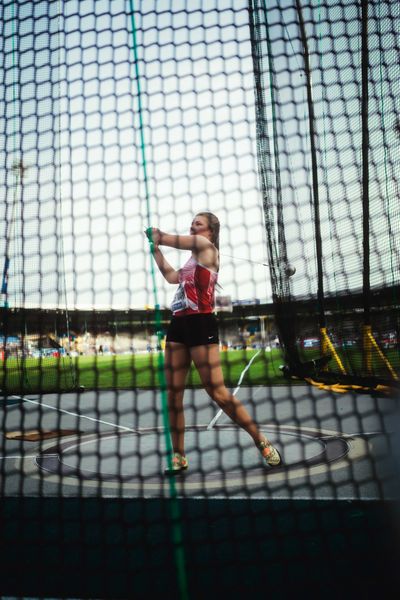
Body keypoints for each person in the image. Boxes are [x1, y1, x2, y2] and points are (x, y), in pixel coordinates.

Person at [145, 212, 281, 474]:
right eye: (192, 223)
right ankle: (179, 456)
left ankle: (262, 442)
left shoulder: (207, 248)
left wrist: (160, 236)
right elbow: (172, 277)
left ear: (210, 231)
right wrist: (155, 250)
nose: (192, 226)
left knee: (216, 392)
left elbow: (176, 240)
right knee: (173, 395)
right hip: (179, 324)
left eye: (198, 223)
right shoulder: (190, 258)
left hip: (201, 324)